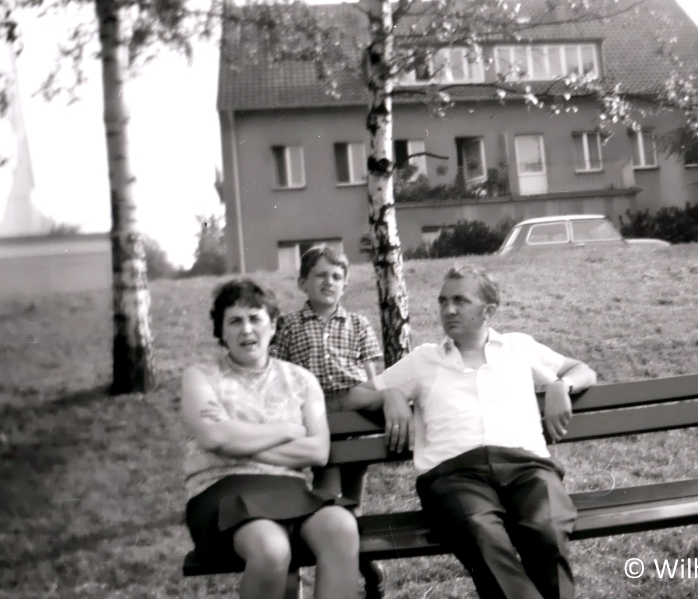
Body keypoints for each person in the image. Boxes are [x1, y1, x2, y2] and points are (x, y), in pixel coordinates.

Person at [346, 264, 597, 599]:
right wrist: (390, 393)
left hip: (529, 471)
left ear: (488, 311)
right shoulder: (424, 360)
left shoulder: (518, 348)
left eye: (460, 301)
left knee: (547, 529)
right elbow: (356, 395)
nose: (448, 310)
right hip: (455, 477)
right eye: (443, 301)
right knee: (483, 535)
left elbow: (583, 370)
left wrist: (559, 386)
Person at [181, 279, 359, 599]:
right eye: (234, 321)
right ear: (221, 331)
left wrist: (239, 441)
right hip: (221, 490)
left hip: (289, 489)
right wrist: (286, 431)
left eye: (255, 318)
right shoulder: (202, 377)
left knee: (341, 528)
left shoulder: (302, 381)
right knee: (271, 548)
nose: (246, 330)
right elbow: (214, 436)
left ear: (273, 325)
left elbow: (318, 450)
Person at [270, 246, 383, 504]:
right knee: (328, 480)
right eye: (320, 275)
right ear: (302, 283)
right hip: (316, 411)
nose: (329, 282)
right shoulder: (289, 325)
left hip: (355, 411)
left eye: (336, 277)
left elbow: (370, 377)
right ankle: (329, 518)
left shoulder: (358, 323)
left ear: (345, 285)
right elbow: (279, 371)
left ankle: (354, 519)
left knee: (355, 473)